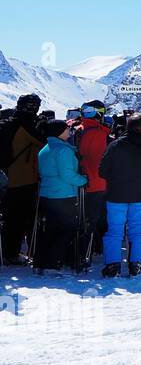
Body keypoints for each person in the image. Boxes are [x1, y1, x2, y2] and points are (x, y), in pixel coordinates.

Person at [98, 113, 141, 277]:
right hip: (140, 195)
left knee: (114, 231)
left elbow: (102, 170)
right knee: (137, 230)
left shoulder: (115, 145)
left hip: (116, 195)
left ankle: (112, 265)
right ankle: (136, 264)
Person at [35, 119, 87, 272]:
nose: (69, 132)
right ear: (59, 132)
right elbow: (67, 175)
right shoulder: (63, 150)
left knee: (49, 229)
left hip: (46, 194)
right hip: (63, 195)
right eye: (66, 129)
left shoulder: (45, 149)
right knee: (66, 229)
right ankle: (56, 260)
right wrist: (83, 180)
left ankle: (43, 261)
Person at [0, 94, 43, 263]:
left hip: (7, 176)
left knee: (11, 218)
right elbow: (42, 142)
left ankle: (9, 253)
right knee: (19, 218)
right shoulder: (26, 124)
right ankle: (12, 254)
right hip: (23, 177)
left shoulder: (8, 123)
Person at [76, 101, 110, 262]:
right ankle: (85, 252)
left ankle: (86, 250)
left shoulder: (79, 129)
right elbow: (97, 161)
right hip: (96, 182)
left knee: (87, 218)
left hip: (83, 181)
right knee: (94, 219)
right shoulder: (98, 133)